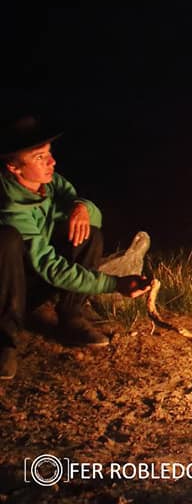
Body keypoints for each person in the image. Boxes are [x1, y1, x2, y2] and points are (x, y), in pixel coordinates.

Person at [0, 117, 151, 380]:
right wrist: (114, 284)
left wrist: (81, 206)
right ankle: (5, 341)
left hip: (32, 280)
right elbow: (50, 267)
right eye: (39, 157)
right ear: (14, 167)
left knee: (89, 233)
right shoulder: (10, 206)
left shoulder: (51, 183)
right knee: (7, 239)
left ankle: (71, 315)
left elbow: (94, 219)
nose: (52, 162)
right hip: (10, 287)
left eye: (49, 154)